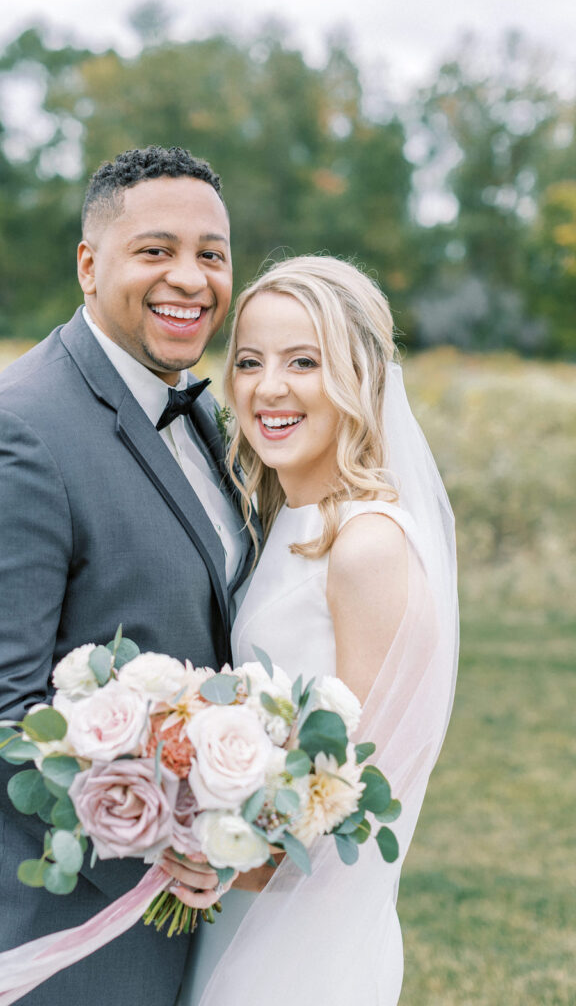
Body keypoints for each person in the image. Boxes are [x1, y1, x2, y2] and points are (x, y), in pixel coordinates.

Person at [0, 146, 252, 1006]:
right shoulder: (12, 436)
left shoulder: (209, 414)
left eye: (211, 254)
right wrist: (165, 833)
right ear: (88, 263)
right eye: (156, 250)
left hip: (163, 909)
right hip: (38, 925)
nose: (190, 278)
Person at [177, 255, 458, 1006]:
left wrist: (225, 855)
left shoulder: (367, 545)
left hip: (305, 940)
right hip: (245, 910)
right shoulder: (284, 522)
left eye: (304, 361)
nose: (269, 387)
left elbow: (368, 790)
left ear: (361, 378)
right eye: (249, 361)